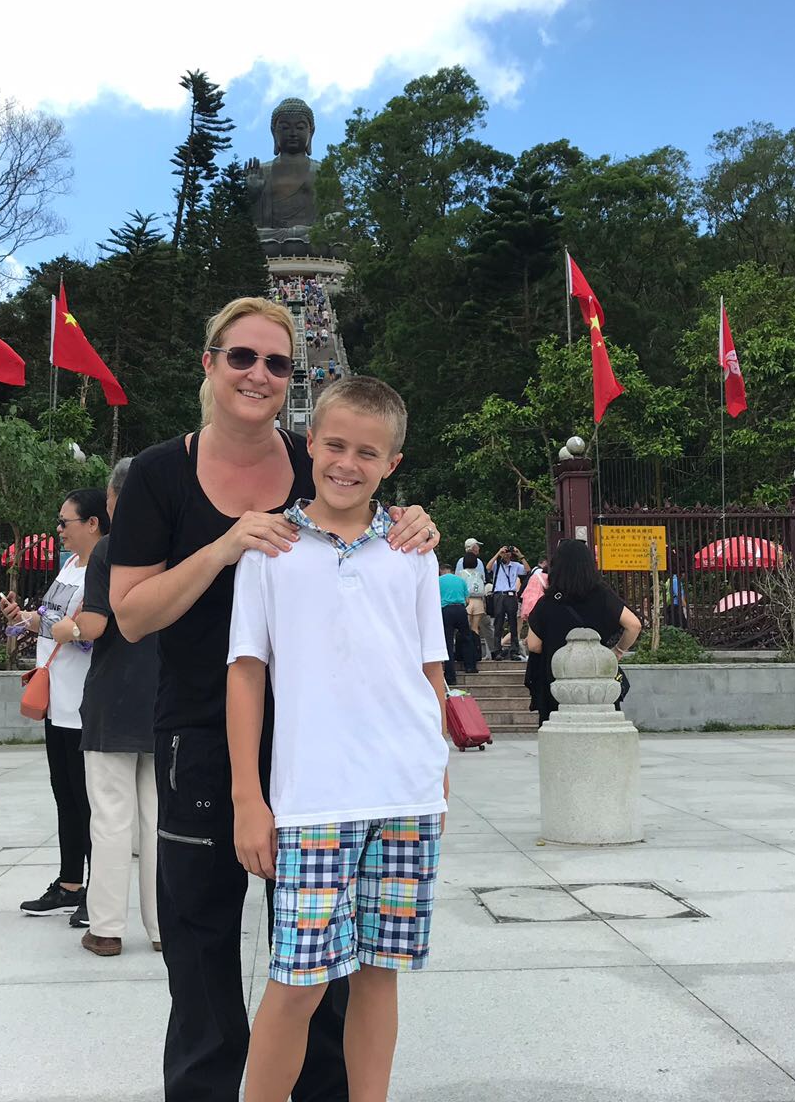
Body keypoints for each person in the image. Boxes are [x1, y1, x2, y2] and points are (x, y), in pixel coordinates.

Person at [107, 295, 437, 1102]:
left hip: (324, 752)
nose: (259, 374)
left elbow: (365, 515)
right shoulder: (158, 476)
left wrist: (414, 523)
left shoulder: (314, 455)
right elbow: (130, 612)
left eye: (278, 363)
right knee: (203, 949)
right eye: (243, 357)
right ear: (210, 363)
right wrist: (224, 546)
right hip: (202, 736)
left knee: (326, 966)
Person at [228, 377, 448, 1102]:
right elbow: (247, 675)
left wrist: (438, 760)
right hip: (312, 799)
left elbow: (428, 666)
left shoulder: (413, 551)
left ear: (393, 462)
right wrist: (247, 797)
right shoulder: (271, 547)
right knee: (295, 985)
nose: (347, 463)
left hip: (405, 791)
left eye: (367, 451)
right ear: (309, 443)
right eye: (335, 445)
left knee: (378, 977)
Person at [3, 488, 107, 926]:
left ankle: (97, 890)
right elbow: (54, 618)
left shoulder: (104, 569)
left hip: (87, 699)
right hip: (56, 698)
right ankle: (69, 883)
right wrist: (25, 617)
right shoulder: (68, 566)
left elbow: (85, 630)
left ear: (93, 524)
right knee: (64, 794)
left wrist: (55, 624)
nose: (59, 529)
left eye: (65, 522)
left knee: (91, 801)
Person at [75, 459, 161, 957]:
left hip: (113, 695)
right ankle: (162, 927)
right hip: (165, 694)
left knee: (109, 817)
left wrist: (63, 626)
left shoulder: (109, 549)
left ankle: (106, 928)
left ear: (113, 498)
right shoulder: (175, 546)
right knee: (158, 819)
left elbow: (95, 626)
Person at [525, 538, 642, 724]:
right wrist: (617, 651)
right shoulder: (602, 594)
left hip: (559, 681)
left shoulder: (547, 602)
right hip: (596, 677)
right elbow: (634, 625)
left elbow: (534, 645)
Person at [486, 545, 530, 661]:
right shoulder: (497, 565)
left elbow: (527, 570)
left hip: (511, 595)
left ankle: (514, 650)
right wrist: (498, 553)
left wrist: (520, 555)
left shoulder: (515, 566)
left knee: (513, 623)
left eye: (508, 553)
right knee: (498, 623)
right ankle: (497, 651)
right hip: (499, 594)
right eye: (505, 553)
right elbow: (488, 567)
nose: (506, 555)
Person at [437, 562, 470, 684]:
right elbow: (467, 599)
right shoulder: (460, 580)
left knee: (448, 642)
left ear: (441, 570)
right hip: (461, 609)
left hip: (446, 610)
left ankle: (450, 675)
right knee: (466, 637)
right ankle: (470, 666)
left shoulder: (438, 581)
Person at [455, 540, 487, 657]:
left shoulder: (461, 573)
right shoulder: (479, 574)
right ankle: (477, 653)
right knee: (475, 629)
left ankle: (464, 653)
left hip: (466, 601)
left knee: (465, 628)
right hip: (478, 601)